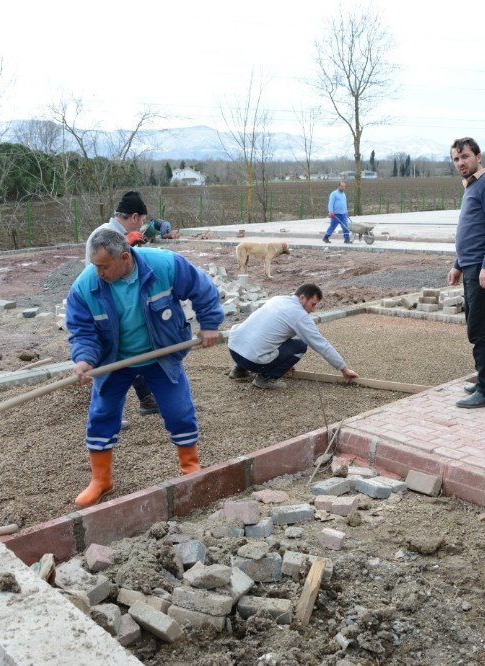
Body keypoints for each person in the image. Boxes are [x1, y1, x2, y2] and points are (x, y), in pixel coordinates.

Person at [65, 228, 223, 507]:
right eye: (94, 266)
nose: (98, 272)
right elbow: (82, 330)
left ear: (124, 257)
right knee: (102, 413)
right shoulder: (84, 287)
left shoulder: (164, 265)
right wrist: (84, 359)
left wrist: (209, 324)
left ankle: (190, 467)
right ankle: (101, 480)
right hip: (114, 359)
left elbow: (202, 289)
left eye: (103, 266)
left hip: (160, 353)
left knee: (178, 409)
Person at [84, 191, 159, 416]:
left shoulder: (113, 234)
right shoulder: (106, 236)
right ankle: (106, 413)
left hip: (114, 303)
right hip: (105, 305)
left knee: (128, 351)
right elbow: (99, 275)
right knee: (112, 356)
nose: (142, 224)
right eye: (142, 219)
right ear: (134, 216)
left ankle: (146, 398)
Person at [447, 137, 485, 409]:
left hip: (484, 267)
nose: (461, 163)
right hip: (471, 266)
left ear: (478, 157)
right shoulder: (471, 185)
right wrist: (458, 264)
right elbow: (472, 230)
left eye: (465, 157)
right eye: (456, 159)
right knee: (474, 325)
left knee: (480, 328)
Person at [227, 283, 359, 390]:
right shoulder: (299, 315)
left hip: (234, 350)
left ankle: (239, 371)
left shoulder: (277, 299)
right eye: (313, 304)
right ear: (302, 298)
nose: (313, 310)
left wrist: (284, 360)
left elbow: (269, 331)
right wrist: (343, 368)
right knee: (300, 346)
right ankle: (265, 379)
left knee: (261, 336)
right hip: (253, 360)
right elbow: (320, 344)